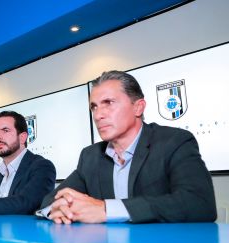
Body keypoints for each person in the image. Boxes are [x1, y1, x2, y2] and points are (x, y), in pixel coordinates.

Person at [39, 70, 217, 224]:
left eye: (108, 103)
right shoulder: (90, 156)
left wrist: (107, 209)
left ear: (138, 107)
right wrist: (61, 209)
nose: (98, 115)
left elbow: (199, 203)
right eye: (94, 107)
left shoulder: (175, 141)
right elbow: (49, 200)